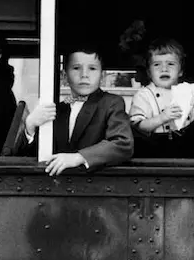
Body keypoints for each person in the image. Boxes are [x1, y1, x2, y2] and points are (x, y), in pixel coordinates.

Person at [14, 44, 133, 175]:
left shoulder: (111, 103)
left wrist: (78, 157)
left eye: (92, 68)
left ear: (102, 76)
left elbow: (123, 144)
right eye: (76, 68)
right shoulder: (57, 110)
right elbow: (27, 157)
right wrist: (30, 127)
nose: (84, 75)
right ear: (65, 76)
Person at [128, 38, 194, 158]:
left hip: (185, 146)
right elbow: (139, 126)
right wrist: (162, 117)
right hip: (155, 149)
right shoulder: (143, 95)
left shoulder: (184, 91)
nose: (164, 69)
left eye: (170, 64)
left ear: (180, 71)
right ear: (149, 72)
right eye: (157, 64)